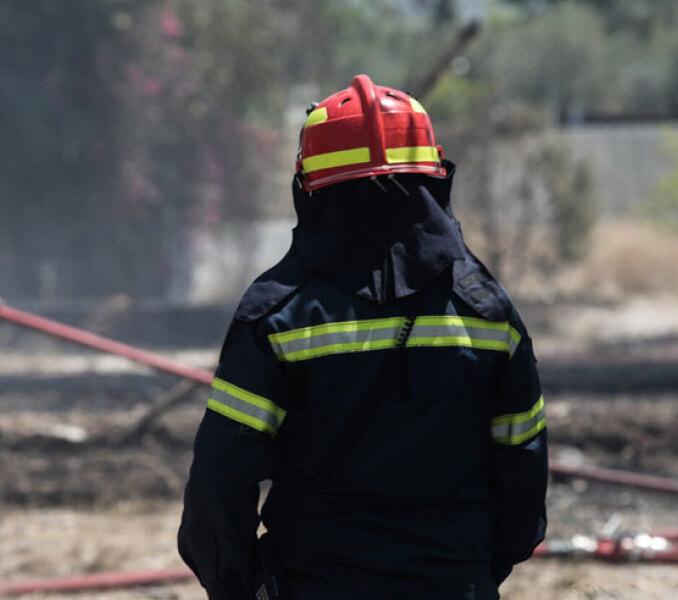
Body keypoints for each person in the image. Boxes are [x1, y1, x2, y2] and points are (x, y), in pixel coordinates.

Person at [178, 75, 547, 600]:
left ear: (310, 189)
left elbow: (219, 481)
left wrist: (242, 584)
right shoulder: (488, 312)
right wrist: (466, 572)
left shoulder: (279, 314)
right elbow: (523, 477)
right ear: (436, 177)